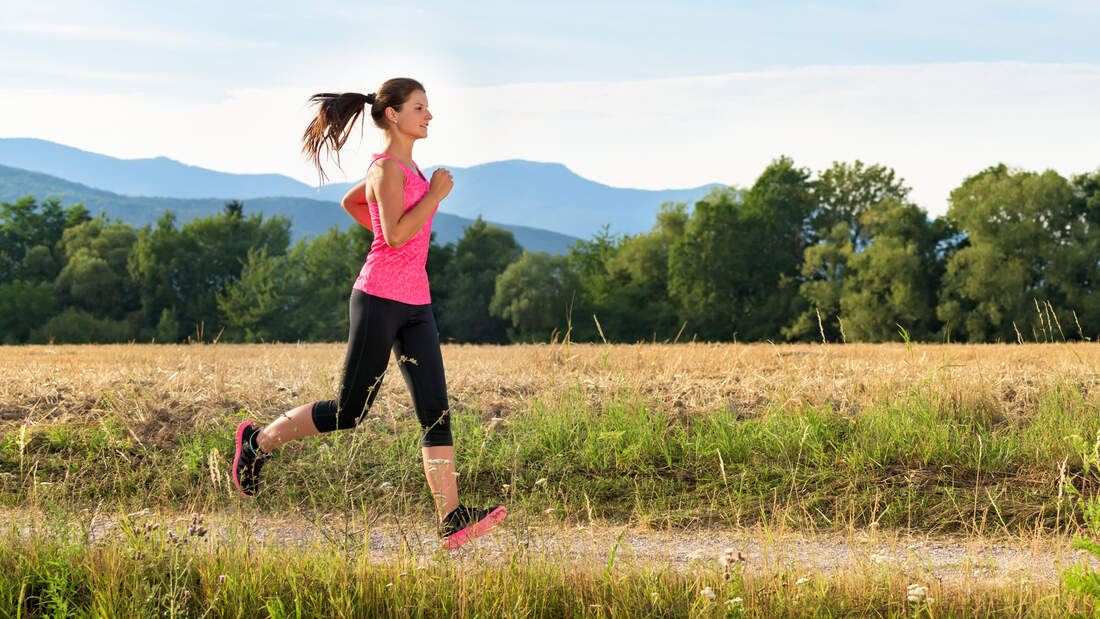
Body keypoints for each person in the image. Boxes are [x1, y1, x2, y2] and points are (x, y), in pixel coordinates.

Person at [231, 77, 506, 550]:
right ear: (395, 115)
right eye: (420, 107)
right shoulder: (386, 170)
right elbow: (396, 236)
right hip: (378, 298)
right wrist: (433, 201)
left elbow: (353, 205)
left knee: (436, 412)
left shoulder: (409, 170)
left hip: (417, 304)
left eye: (428, 107)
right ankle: (255, 444)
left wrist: (392, 225)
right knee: (348, 411)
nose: (429, 115)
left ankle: (452, 517)